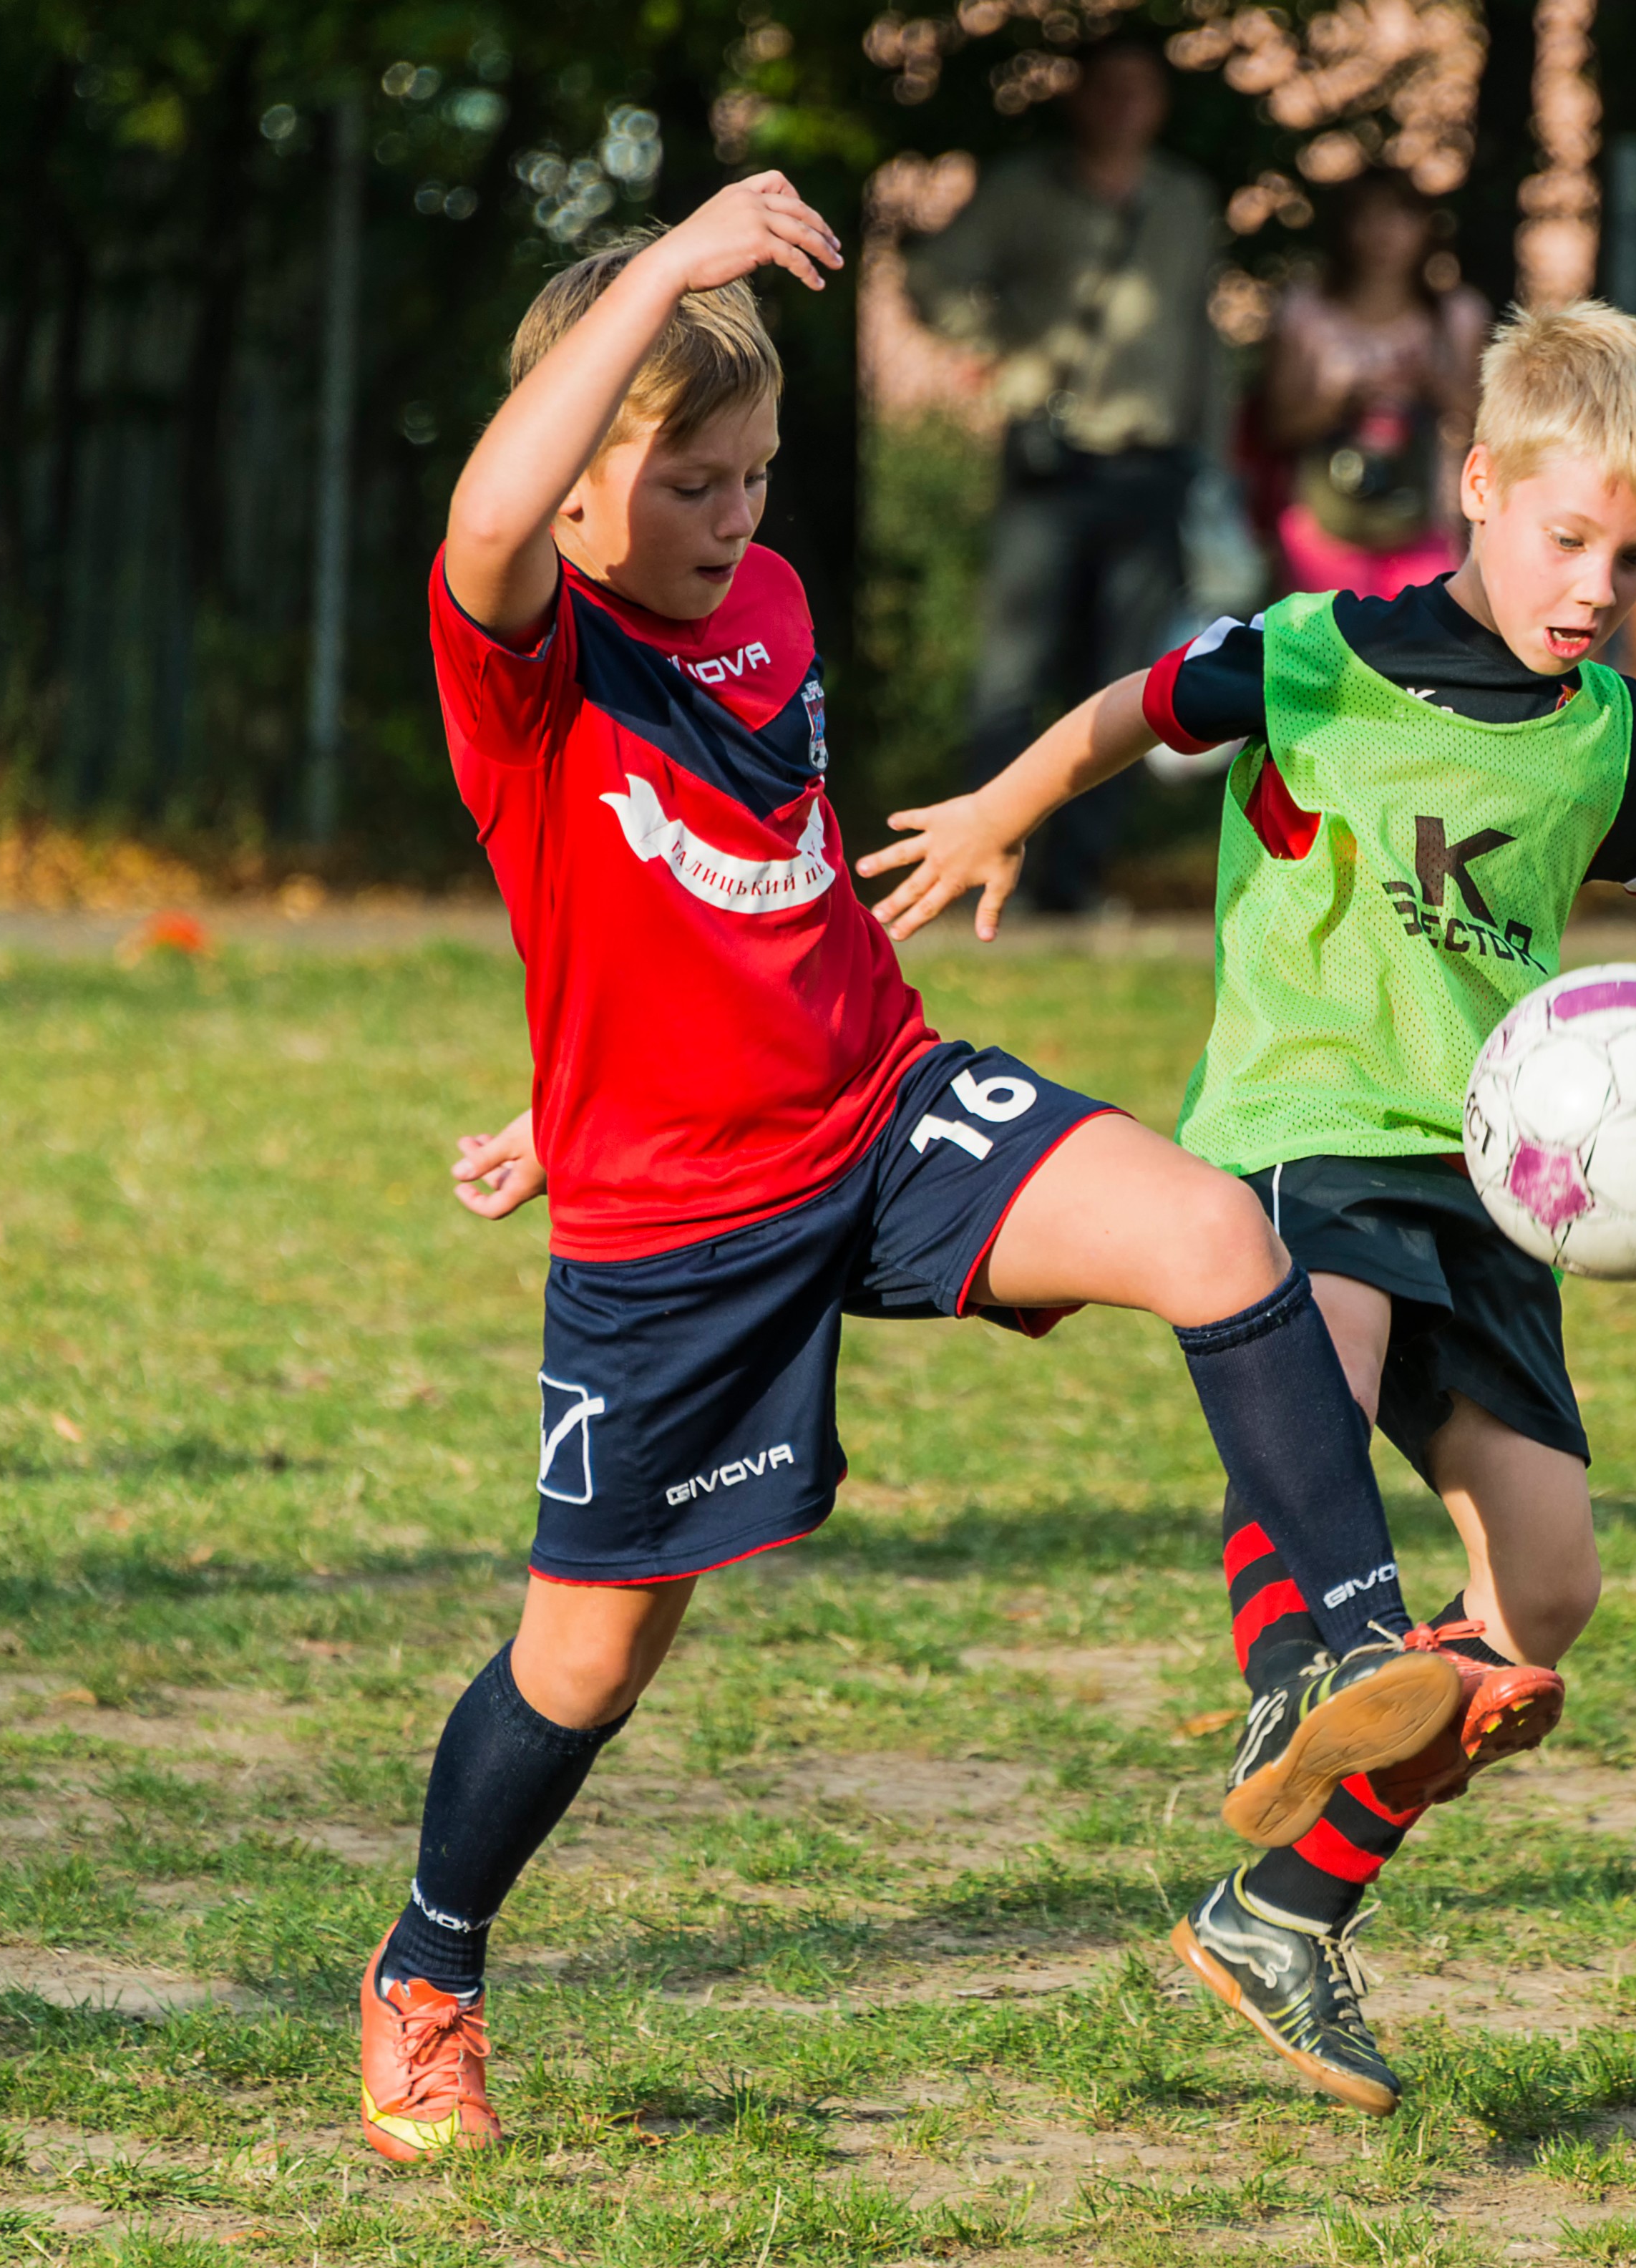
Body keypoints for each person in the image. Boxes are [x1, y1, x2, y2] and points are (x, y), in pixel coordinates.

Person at [366, 180, 1469, 2164]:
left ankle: (1331, 1651)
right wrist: (659, 271)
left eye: (759, 473)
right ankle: (428, 1970)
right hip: (679, 1233)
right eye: (692, 480)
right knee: (587, 1657)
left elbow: (736, 893)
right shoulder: (528, 658)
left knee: (1214, 1229)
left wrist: (604, 1057)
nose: (737, 517)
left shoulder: (768, 603)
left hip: (879, 1109)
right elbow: (481, 533)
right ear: (589, 471)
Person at [857, 299, 1636, 2116]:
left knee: (1546, 1597)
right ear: (1478, 488)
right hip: (1309, 1123)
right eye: (1567, 538)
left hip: (1503, 1189)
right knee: (1310, 1393)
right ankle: (1293, 1676)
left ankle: (1283, 1906)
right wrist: (1004, 810)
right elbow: (1135, 707)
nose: (1596, 583)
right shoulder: (1318, 651)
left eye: (1634, 555)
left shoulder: (1600, 732)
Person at [905, 33, 1227, 910]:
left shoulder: (1184, 199)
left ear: (1159, 104)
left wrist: (1214, 458)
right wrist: (1000, 362)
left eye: (1141, 88)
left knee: (1126, 679)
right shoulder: (1022, 190)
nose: (1124, 104)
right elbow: (932, 275)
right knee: (1012, 673)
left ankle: (1070, 884)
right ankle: (969, 863)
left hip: (1153, 463)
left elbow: (1203, 334)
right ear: (1079, 98)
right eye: (1108, 87)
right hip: (1051, 460)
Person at [1257, 168, 1486, 600]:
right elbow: (1277, 427)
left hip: (1428, 520)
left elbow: (1489, 424)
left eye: (1399, 217)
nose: (1384, 234)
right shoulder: (1306, 311)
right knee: (1327, 658)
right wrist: (1340, 403)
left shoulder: (1458, 316)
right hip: (1325, 520)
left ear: (1425, 229)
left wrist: (1432, 388)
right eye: (1368, 217)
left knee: (1417, 656)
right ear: (1344, 227)